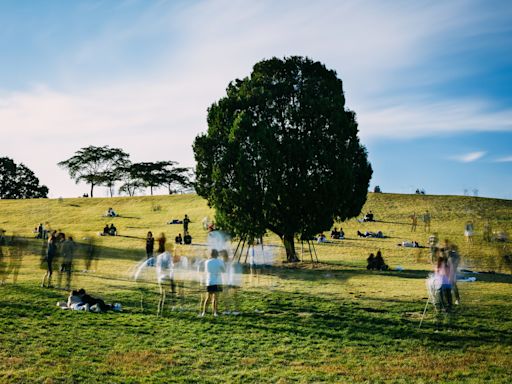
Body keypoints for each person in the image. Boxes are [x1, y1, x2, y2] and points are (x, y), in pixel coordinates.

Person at [200, 249, 225, 317]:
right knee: (216, 298)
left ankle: (204, 312)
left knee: (208, 298)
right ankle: (215, 313)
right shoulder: (220, 261)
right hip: (218, 281)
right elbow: (223, 271)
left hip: (209, 281)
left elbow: (206, 271)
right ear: (217, 255)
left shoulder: (207, 262)